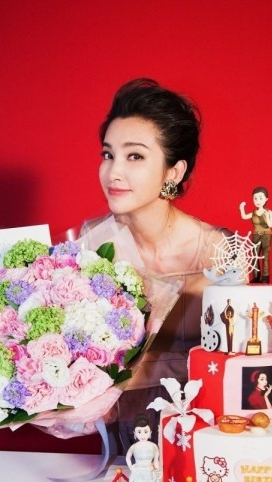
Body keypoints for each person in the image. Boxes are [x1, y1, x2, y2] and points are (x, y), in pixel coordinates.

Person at [84, 78, 231, 450]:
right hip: (123, 441)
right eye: (108, 155)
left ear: (173, 172)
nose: (113, 172)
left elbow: (243, 359)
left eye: (134, 156)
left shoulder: (216, 250)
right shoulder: (91, 244)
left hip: (207, 435)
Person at [239, 187, 272, 283]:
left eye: (260, 198)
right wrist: (241, 208)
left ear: (266, 199)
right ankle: (256, 276)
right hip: (256, 235)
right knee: (255, 255)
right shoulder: (254, 213)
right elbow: (244, 216)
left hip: (266, 235)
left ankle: (265, 277)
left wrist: (267, 216)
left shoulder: (269, 212)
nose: (258, 201)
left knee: (265, 255)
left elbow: (271, 225)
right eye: (255, 198)